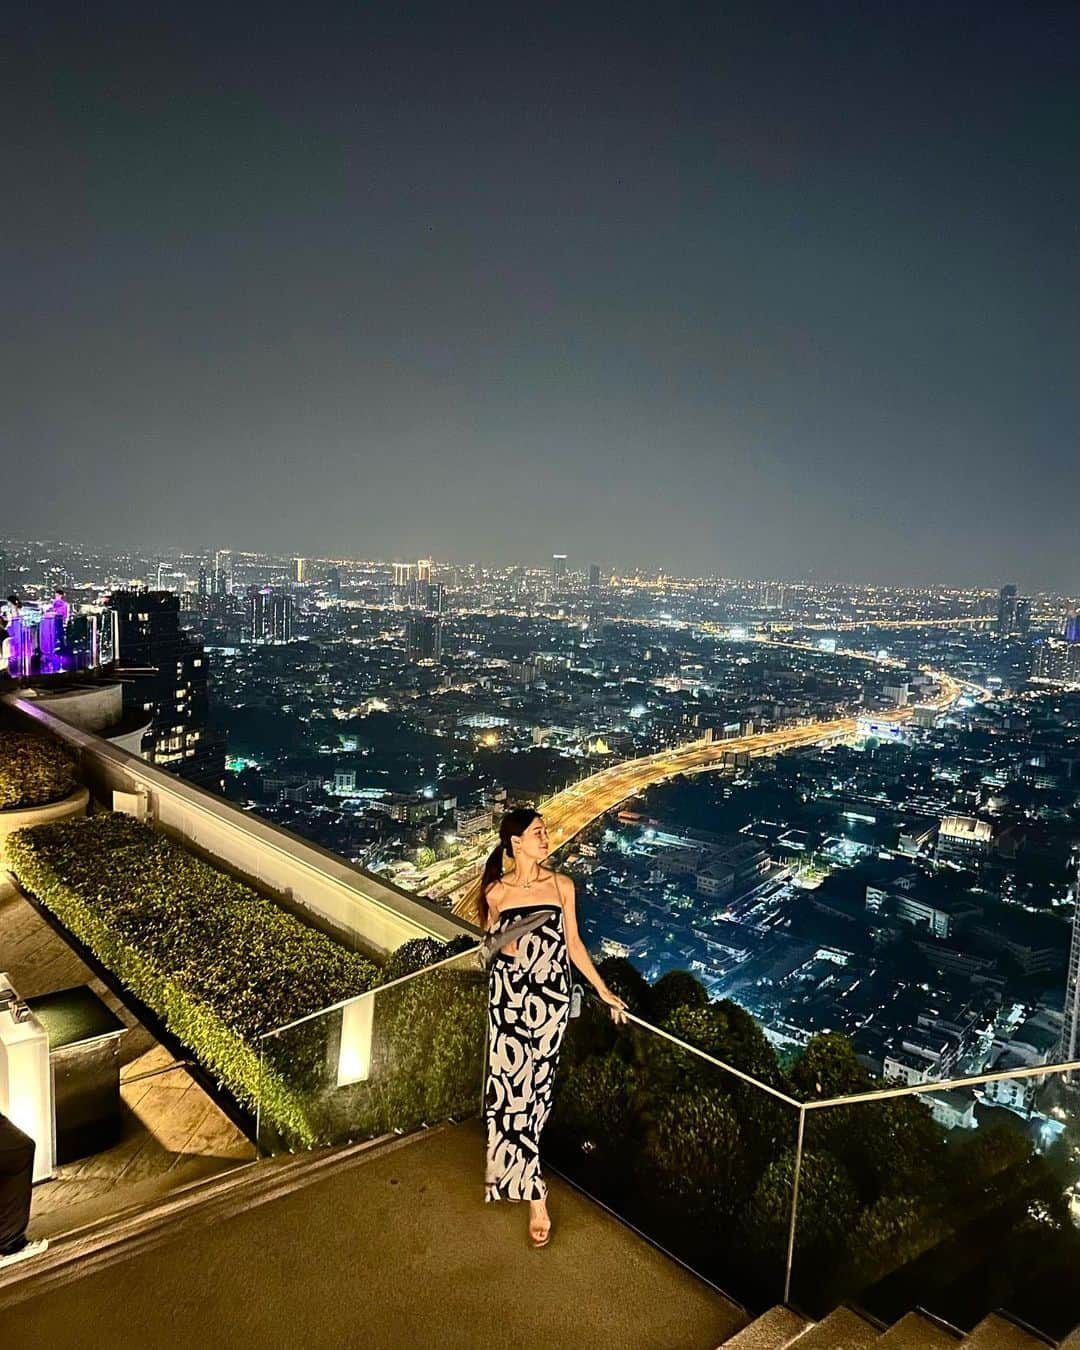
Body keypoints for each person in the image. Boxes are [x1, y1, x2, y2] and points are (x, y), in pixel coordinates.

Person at [479, 807, 627, 1248]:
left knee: (536, 1095)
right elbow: (488, 947)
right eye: (538, 833)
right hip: (507, 1001)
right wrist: (505, 948)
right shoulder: (495, 893)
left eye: (545, 831)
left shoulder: (562, 886)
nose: (547, 838)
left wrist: (601, 990)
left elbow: (575, 944)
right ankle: (535, 1193)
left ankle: (531, 1186)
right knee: (508, 1094)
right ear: (515, 843)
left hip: (550, 1002)